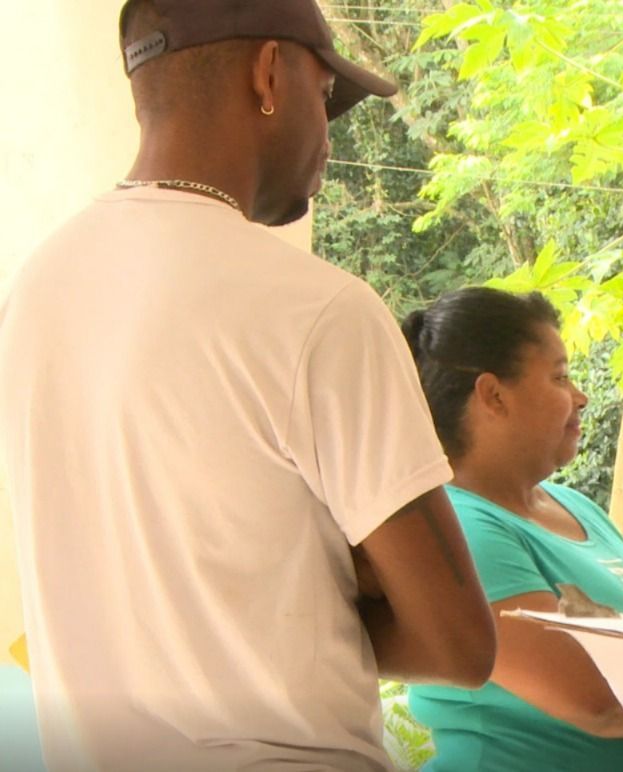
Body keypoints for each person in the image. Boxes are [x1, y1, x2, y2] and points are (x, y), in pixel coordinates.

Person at [0, 1, 496, 769]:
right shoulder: (319, 311)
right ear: (269, 73)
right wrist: (334, 586)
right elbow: (460, 644)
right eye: (326, 97)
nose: (331, 135)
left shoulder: (34, 292)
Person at [400, 287, 623, 771]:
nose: (581, 396)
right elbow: (592, 696)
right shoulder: (460, 524)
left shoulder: (575, 507)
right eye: (560, 377)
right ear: (493, 395)